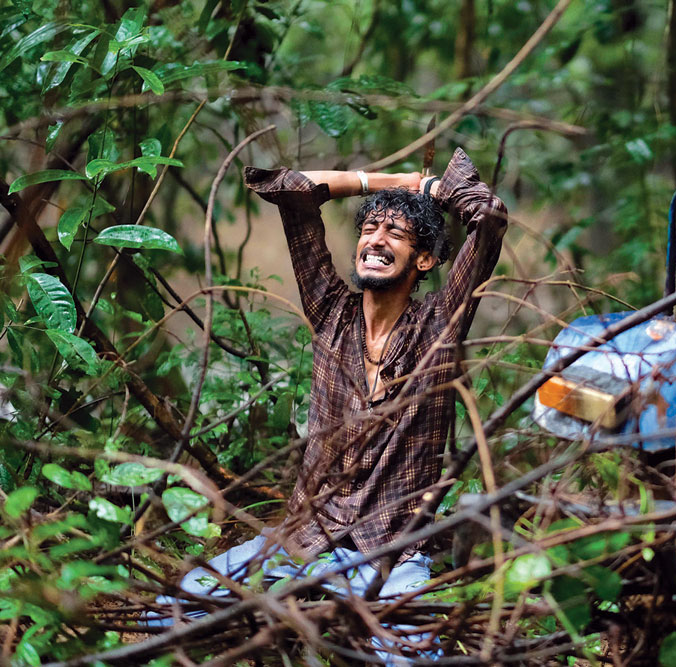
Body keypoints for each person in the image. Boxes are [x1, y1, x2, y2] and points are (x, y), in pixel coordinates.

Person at [150, 148, 507, 663]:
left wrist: (430, 191)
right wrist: (390, 180)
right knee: (168, 609)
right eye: (369, 230)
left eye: (396, 235)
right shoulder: (331, 312)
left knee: (410, 659)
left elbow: (489, 216)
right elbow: (292, 192)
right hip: (307, 535)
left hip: (390, 547)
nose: (375, 241)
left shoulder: (439, 326)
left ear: (424, 260)